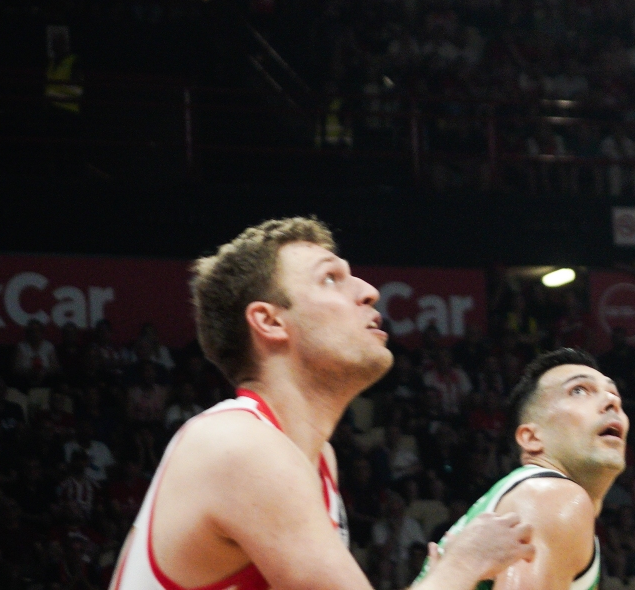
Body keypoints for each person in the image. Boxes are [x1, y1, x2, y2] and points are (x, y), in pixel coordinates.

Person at [109, 216, 532, 590]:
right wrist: (462, 565)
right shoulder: (238, 444)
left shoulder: (314, 458)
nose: (369, 292)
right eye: (330, 278)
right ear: (270, 321)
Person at [422, 347, 630, 590]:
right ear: (531, 438)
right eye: (579, 390)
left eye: (613, 393)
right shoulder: (551, 495)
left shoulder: (522, 495)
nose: (612, 401)